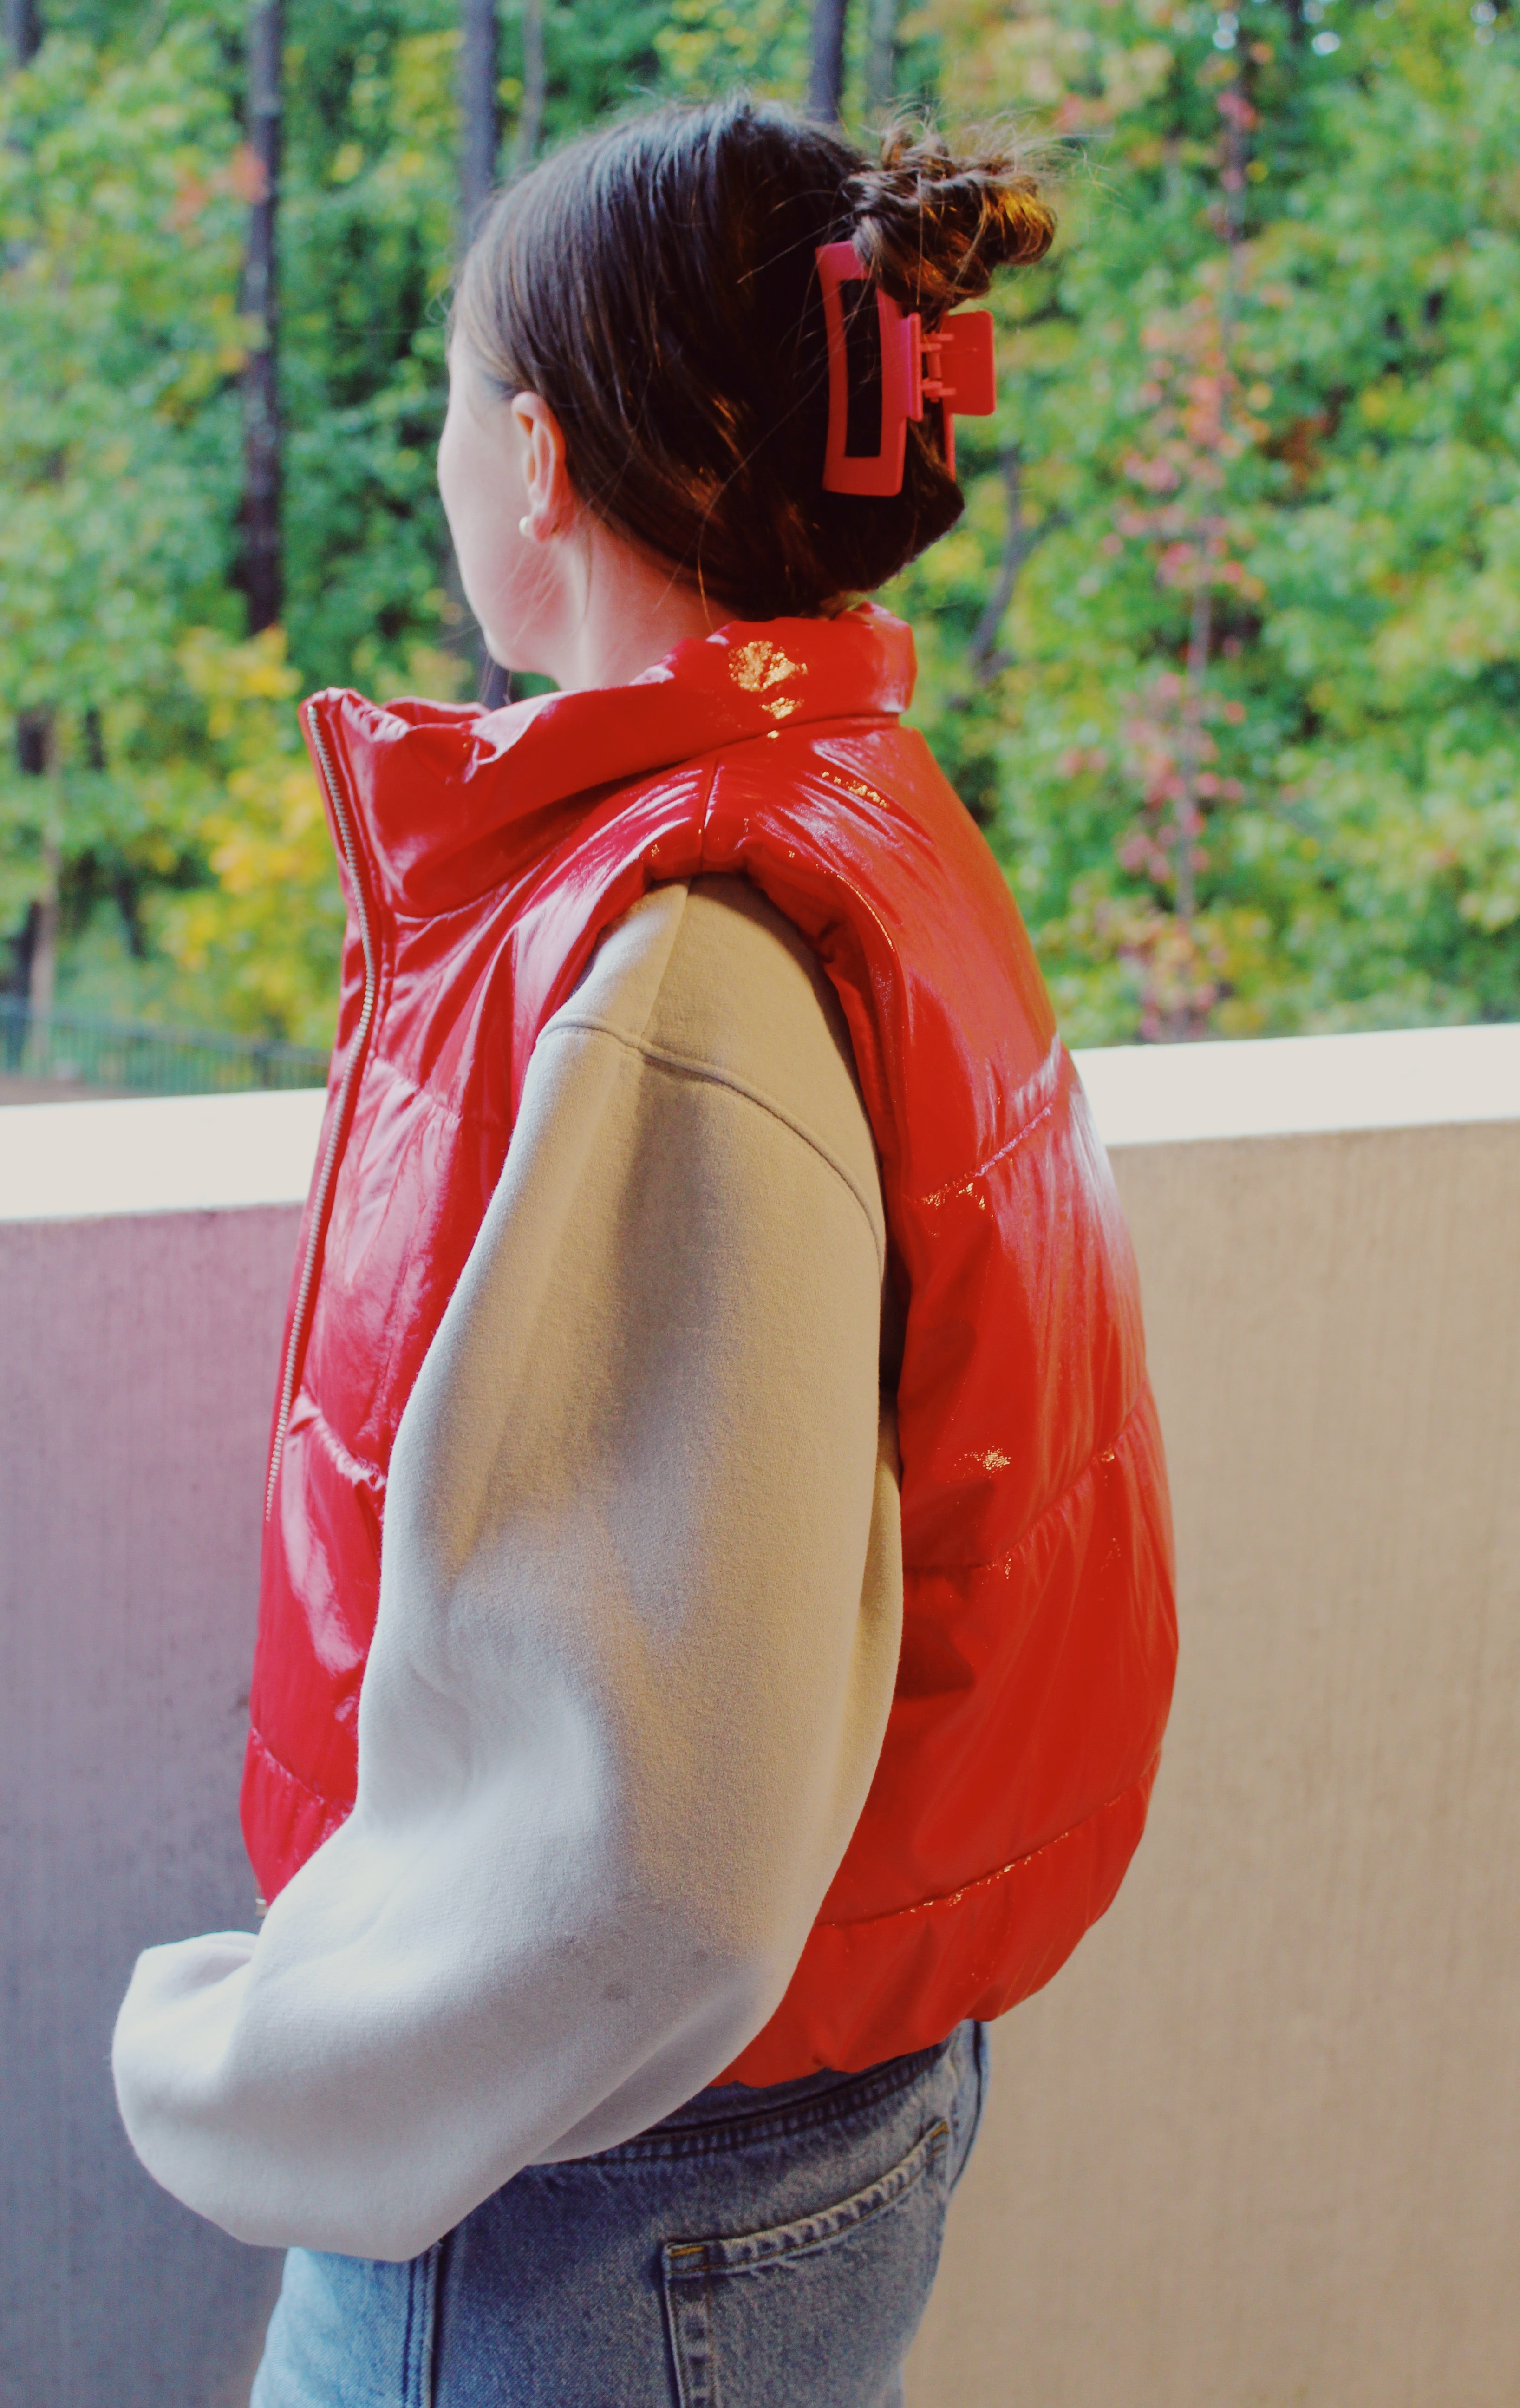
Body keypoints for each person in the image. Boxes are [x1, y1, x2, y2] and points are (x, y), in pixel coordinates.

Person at [112, 96, 1176, 2408]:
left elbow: (658, 1869)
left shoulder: (684, 954)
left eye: (455, 406)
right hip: (775, 2127)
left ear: (536, 459)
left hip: (598, 2195)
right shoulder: (846, 811)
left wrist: (263, 2077)